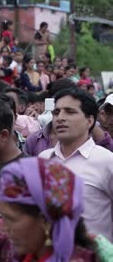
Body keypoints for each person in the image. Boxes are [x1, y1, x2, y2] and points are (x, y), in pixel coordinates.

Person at [0, 157, 99, 261]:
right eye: (3, 217)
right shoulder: (25, 251)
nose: (4, 228)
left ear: (45, 220)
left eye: (11, 219)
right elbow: (1, 238)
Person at [39, 88, 113, 241]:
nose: (60, 118)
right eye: (56, 112)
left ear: (90, 120)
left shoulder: (107, 161)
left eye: (70, 112)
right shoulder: (43, 159)